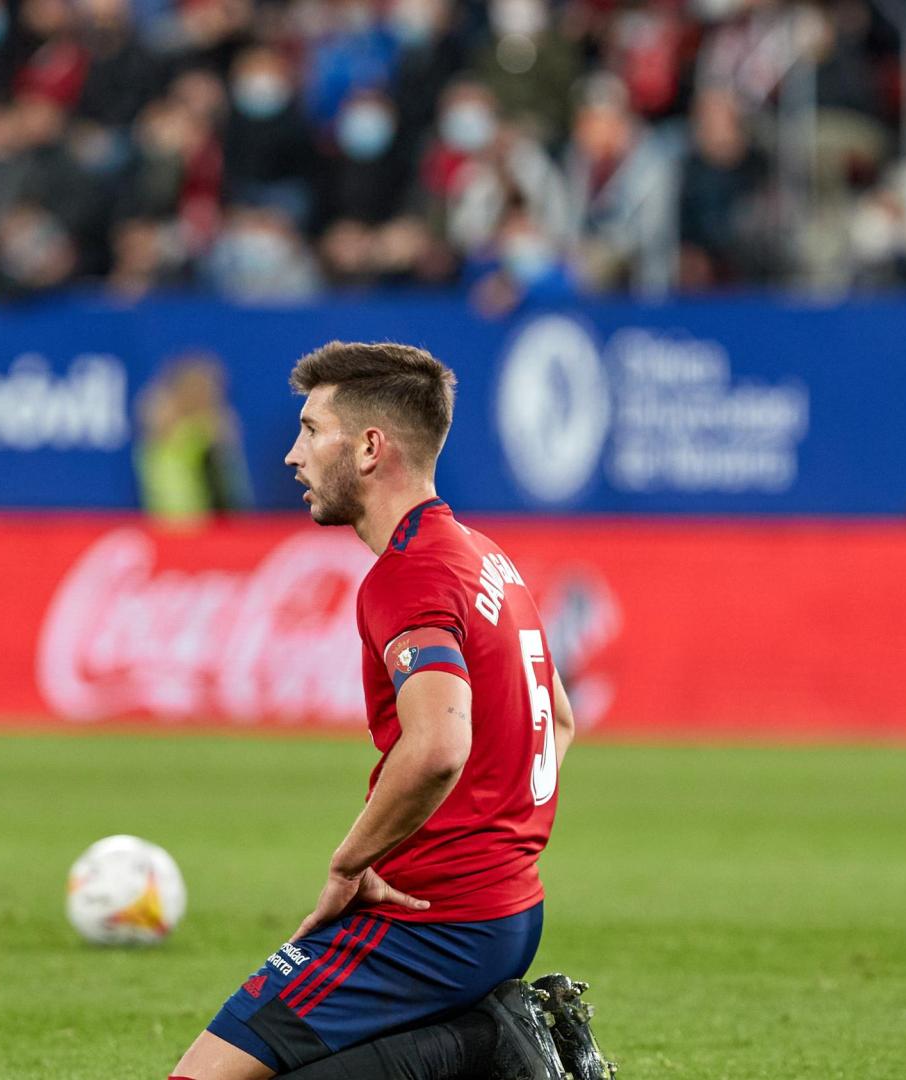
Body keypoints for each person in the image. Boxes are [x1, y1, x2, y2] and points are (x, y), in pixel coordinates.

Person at [169, 342, 613, 1080]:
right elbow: (557, 720)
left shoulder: (407, 577)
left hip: (425, 920)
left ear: (371, 447)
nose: (292, 455)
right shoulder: (485, 557)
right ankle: (494, 1038)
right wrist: (487, 835)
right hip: (507, 911)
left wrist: (351, 862)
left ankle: (492, 1048)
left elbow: (439, 745)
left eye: (312, 431)